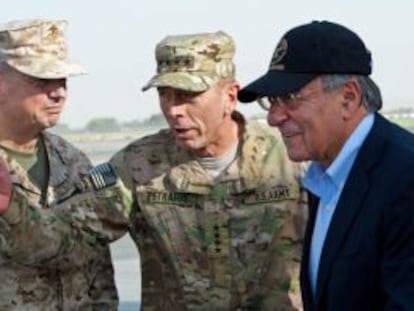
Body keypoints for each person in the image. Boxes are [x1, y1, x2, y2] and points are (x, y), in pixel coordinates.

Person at [109, 30, 307, 310]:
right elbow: (69, 235)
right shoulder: (138, 165)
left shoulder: (291, 159)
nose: (174, 110)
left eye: (188, 95)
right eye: (165, 95)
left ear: (230, 96)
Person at [238, 20, 414, 311]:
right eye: (272, 101)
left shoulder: (404, 177)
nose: (273, 117)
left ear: (348, 97)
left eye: (290, 98)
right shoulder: (326, 177)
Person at [0, 19, 121, 310]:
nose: (59, 93)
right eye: (42, 81)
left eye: (63, 80)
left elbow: (97, 264)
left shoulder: (72, 159)